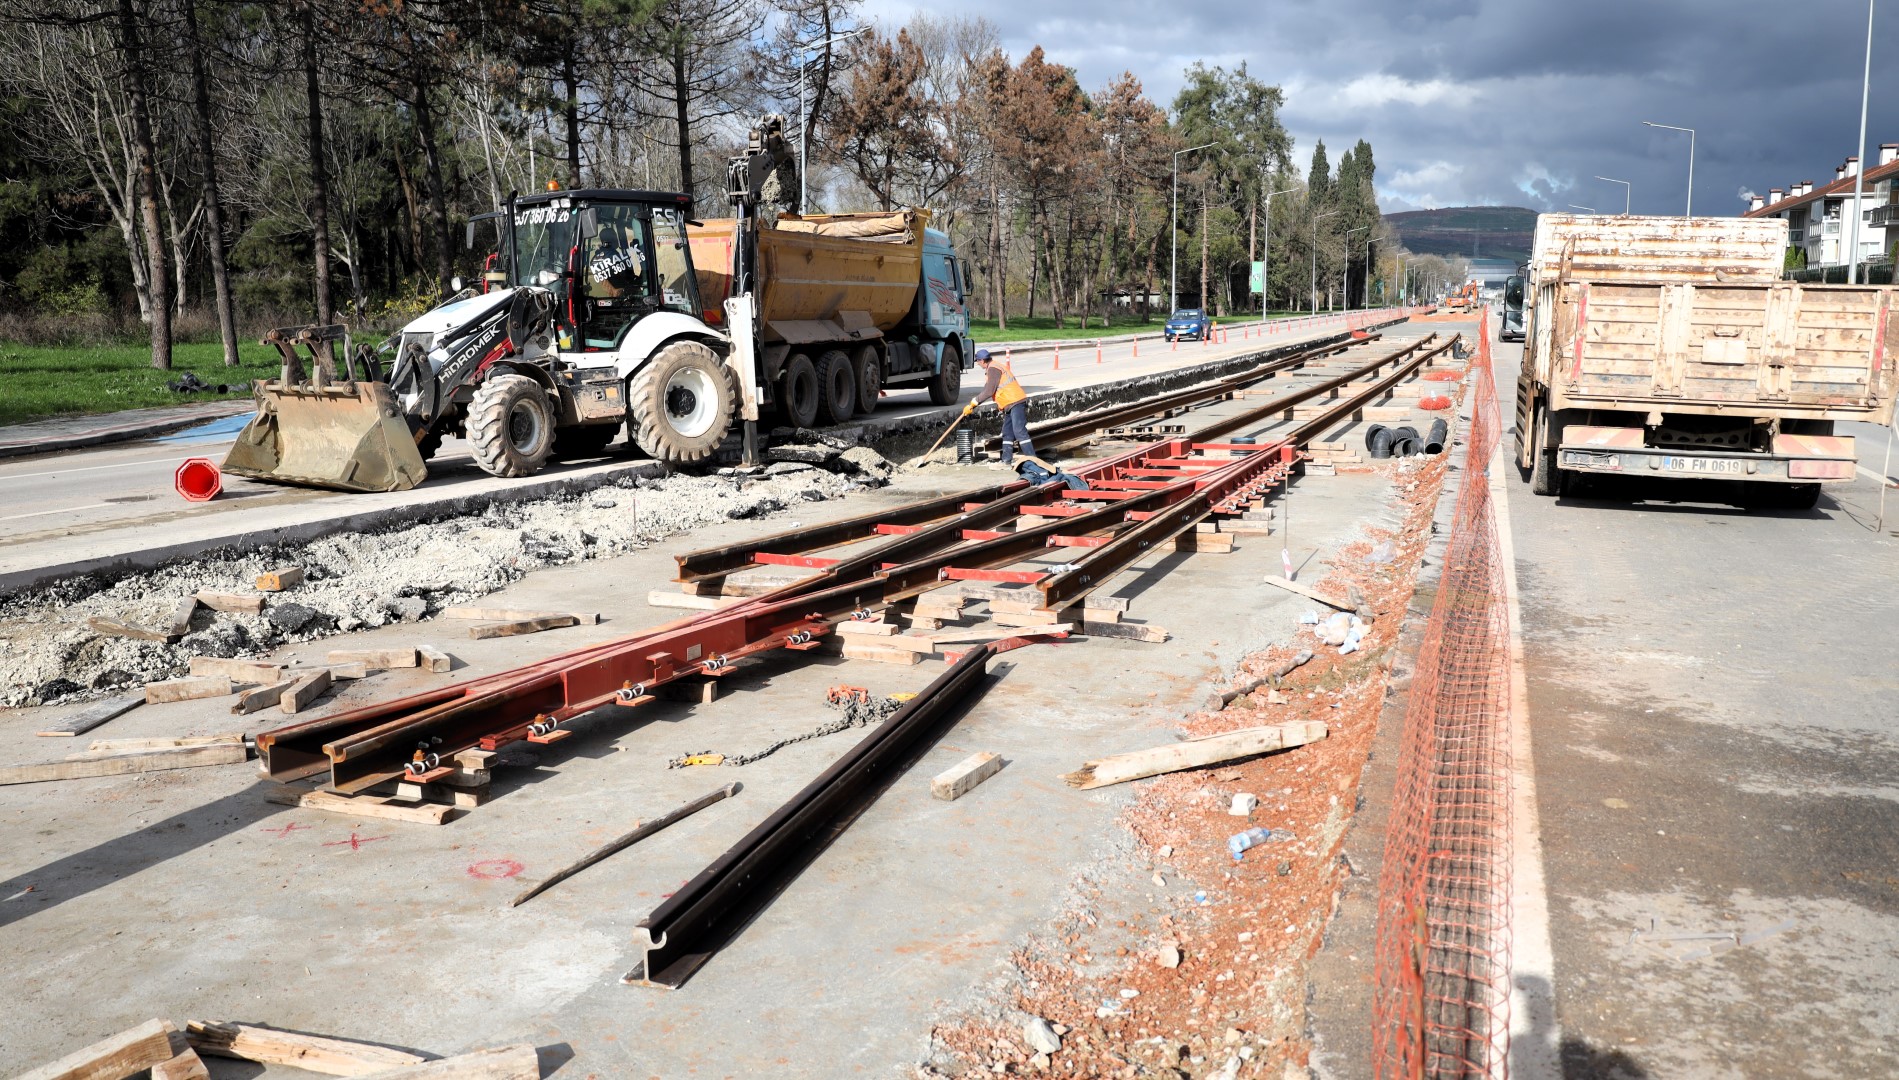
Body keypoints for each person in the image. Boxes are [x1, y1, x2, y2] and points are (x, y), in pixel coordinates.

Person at [963, 349, 1034, 466]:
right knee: (1007, 433)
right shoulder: (993, 367)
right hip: (1009, 403)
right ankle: (1006, 461)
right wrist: (972, 405)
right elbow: (987, 389)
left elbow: (989, 391)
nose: (978, 364)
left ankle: (1033, 460)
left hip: (1015, 401)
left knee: (1019, 431)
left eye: (978, 361)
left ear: (982, 361)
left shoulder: (993, 369)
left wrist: (973, 403)